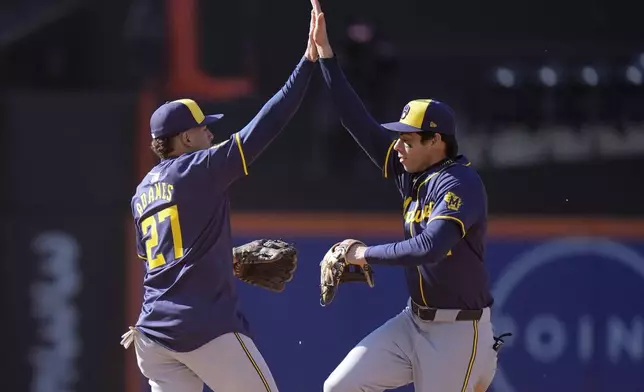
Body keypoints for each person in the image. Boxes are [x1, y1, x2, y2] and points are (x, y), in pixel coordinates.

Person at [119, 10, 320, 392]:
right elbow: (267, 124)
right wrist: (307, 64)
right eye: (203, 128)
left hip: (152, 337)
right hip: (201, 327)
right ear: (185, 139)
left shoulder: (142, 191)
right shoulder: (199, 167)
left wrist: (223, 258)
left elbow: (160, 259)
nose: (210, 134)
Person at [309, 1, 502, 391]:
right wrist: (327, 57)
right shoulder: (409, 168)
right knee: (339, 387)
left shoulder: (460, 183)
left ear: (437, 142)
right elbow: (355, 121)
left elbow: (431, 246)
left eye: (408, 139)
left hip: (458, 335)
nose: (398, 145)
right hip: (412, 322)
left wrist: (362, 254)